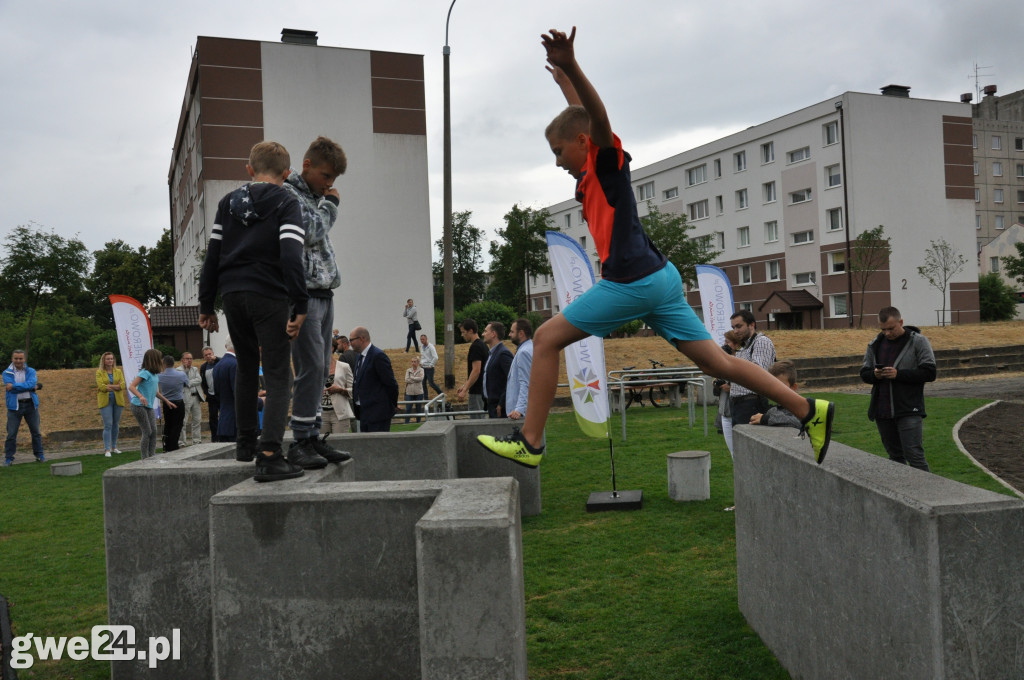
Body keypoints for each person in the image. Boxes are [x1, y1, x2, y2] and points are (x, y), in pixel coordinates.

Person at [478, 27, 834, 468]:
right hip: (660, 281)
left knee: (547, 338)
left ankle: (530, 442)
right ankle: (808, 410)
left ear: (582, 145)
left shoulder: (606, 163)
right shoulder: (588, 173)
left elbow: (596, 119)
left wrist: (572, 66)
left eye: (557, 150)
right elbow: (579, 115)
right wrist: (563, 81)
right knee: (718, 366)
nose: (556, 161)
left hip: (634, 282)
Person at [198, 140, 337, 480]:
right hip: (268, 294)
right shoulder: (286, 200)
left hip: (233, 296)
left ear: (249, 169)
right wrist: (300, 303)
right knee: (279, 375)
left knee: (246, 366)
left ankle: (245, 444)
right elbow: (290, 254)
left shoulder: (227, 202)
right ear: (287, 172)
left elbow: (212, 256)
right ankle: (271, 455)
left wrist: (206, 304)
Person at [283, 136, 351, 466]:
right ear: (307, 165)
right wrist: (331, 205)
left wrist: (324, 202)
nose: (329, 186)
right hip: (303, 293)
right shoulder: (288, 193)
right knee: (309, 366)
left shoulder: (312, 196)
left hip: (324, 292)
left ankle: (311, 437)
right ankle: (300, 441)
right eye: (326, 177)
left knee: (321, 367)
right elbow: (310, 232)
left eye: (333, 181)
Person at [859, 306, 937, 471]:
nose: (887, 333)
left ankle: (928, 494)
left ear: (901, 322)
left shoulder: (919, 341)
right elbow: (864, 373)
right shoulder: (875, 344)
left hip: (908, 408)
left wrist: (898, 374)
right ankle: (901, 494)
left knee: (914, 455)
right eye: (883, 329)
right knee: (894, 457)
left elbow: (930, 372)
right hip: (882, 410)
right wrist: (875, 375)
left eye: (891, 328)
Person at [728, 310, 777, 428]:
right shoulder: (744, 346)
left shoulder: (761, 342)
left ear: (752, 325)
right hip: (739, 404)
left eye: (739, 326)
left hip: (752, 403)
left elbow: (758, 373)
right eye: (733, 327)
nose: (735, 331)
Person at [349, 326, 399, 432]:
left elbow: (391, 384)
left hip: (378, 414)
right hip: (363, 413)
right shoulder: (359, 357)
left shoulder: (378, 356)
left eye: (351, 340)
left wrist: (391, 405)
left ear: (362, 338)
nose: (350, 343)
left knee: (378, 446)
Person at [127, 348, 174, 459]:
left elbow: (155, 392)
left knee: (154, 431)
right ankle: (144, 457)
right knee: (147, 431)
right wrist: (141, 396)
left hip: (148, 406)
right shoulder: (144, 373)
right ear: (154, 359)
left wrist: (166, 401)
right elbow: (131, 386)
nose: (161, 360)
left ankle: (151, 455)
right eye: (159, 358)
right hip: (138, 405)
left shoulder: (154, 375)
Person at [4, 349, 45, 465]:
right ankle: (9, 458)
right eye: (16, 358)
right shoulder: (6, 373)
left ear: (24, 359)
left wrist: (15, 386)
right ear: (12, 359)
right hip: (14, 406)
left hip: (30, 404)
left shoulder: (31, 371)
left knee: (36, 432)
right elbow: (30, 386)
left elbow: (30, 384)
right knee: (11, 434)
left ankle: (39, 454)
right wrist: (31, 387)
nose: (18, 361)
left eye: (20, 358)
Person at [714, 329, 743, 459]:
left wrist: (731, 388)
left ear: (736, 344)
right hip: (725, 410)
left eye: (728, 342)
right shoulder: (722, 362)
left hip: (738, 410)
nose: (725, 345)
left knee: (741, 451)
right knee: (732, 452)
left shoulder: (742, 360)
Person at [750, 361, 803, 429]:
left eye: (781, 386)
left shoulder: (802, 409)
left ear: (793, 387)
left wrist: (766, 419)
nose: (776, 390)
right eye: (772, 386)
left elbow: (799, 423)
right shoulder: (772, 412)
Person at [95, 351, 126, 457]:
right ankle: (107, 449)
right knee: (108, 424)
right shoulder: (99, 372)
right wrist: (115, 386)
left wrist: (110, 386)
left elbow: (122, 385)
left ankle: (114, 447)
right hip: (105, 401)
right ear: (104, 360)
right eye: (108, 359)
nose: (110, 361)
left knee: (116, 424)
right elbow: (102, 387)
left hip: (118, 401)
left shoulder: (118, 371)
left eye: (112, 359)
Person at [455, 319, 487, 419]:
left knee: (476, 424)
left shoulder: (476, 346)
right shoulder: (482, 345)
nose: (462, 335)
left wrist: (465, 389)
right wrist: (465, 385)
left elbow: (476, 370)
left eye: (463, 332)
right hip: (482, 390)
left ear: (471, 331)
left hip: (477, 391)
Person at [482, 321, 513, 418]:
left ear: (493, 334)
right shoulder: (492, 353)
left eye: (485, 331)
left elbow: (511, 379)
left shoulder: (503, 354)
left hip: (500, 407)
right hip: (492, 405)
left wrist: (501, 403)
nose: (483, 334)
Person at [157, 355, 188, 453]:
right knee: (178, 425)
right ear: (173, 363)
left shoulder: (159, 375)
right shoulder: (181, 374)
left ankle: (167, 446)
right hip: (178, 402)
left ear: (164, 364)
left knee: (168, 424)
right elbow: (187, 384)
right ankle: (174, 446)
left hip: (166, 402)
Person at [505, 318, 534, 422]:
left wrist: (519, 409)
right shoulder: (528, 348)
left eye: (512, 331)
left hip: (520, 414)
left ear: (521, 333)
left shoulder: (524, 352)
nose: (509, 334)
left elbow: (526, 382)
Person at [325, 351, 355, 434]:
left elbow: (354, 391)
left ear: (331, 348)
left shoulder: (344, 367)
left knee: (340, 443)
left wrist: (340, 390)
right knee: (321, 444)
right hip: (321, 414)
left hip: (339, 414)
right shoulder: (315, 367)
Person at [179, 352, 204, 446]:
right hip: (186, 398)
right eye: (187, 358)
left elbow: (199, 380)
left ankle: (197, 441)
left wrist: (188, 383)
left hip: (196, 397)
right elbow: (182, 381)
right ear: (182, 360)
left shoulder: (195, 369)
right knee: (183, 421)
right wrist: (185, 371)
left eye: (190, 358)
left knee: (197, 420)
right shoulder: (178, 370)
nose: (189, 360)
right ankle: (182, 442)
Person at [200, 346, 220, 442]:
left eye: (210, 354)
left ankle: (224, 436)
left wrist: (216, 358)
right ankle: (214, 438)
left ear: (213, 354)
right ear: (203, 357)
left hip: (221, 395)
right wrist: (206, 393)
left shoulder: (219, 362)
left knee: (224, 416)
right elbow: (203, 382)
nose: (208, 356)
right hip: (211, 397)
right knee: (213, 418)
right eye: (206, 355)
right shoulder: (204, 367)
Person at [403, 356, 425, 424]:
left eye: (414, 362)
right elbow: (406, 379)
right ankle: (406, 422)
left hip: (419, 392)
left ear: (418, 362)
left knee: (418, 408)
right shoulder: (408, 370)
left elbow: (421, 378)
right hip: (409, 392)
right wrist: (415, 379)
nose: (413, 363)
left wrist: (412, 378)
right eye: (412, 362)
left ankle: (418, 422)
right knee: (408, 408)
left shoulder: (421, 370)